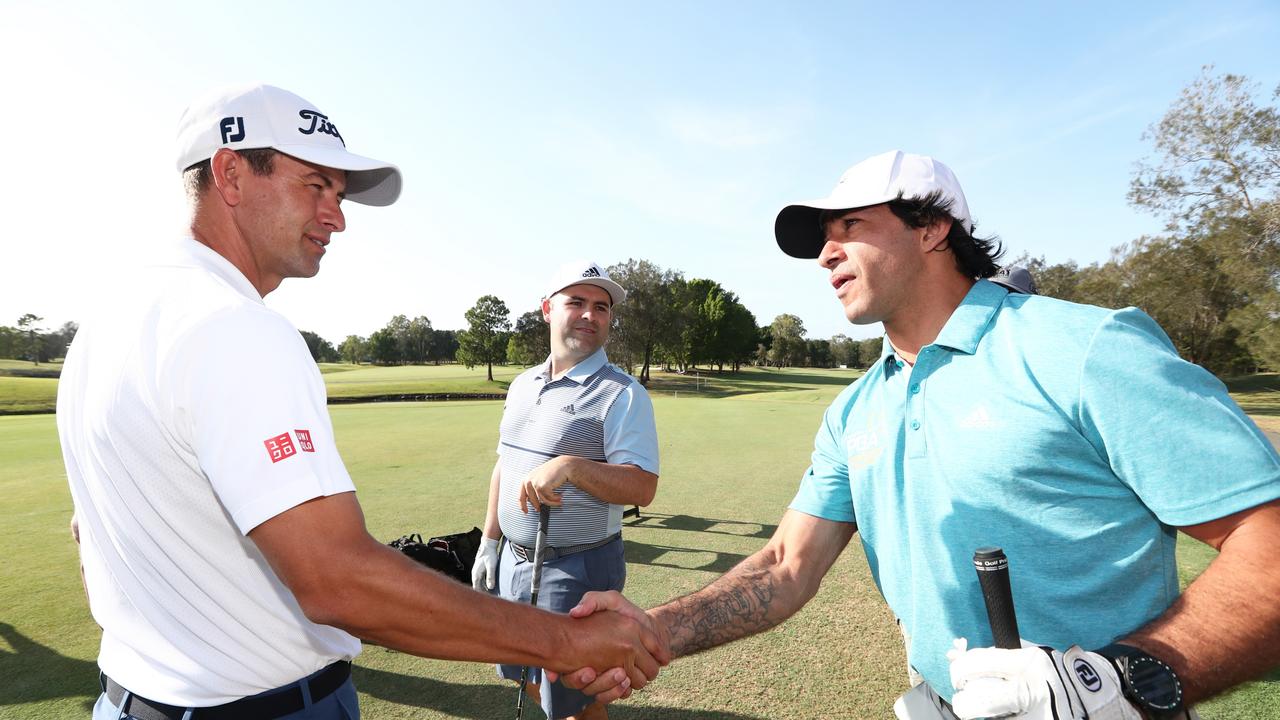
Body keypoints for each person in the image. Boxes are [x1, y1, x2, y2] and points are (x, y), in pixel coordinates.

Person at [565, 150, 1280, 719]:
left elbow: (1268, 539)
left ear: (932, 228)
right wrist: (649, 629)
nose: (825, 254)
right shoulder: (855, 410)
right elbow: (785, 568)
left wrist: (1117, 683)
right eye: (823, 238)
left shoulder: (1084, 349)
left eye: (849, 227)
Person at [58, 83, 662, 720]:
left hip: (133, 700)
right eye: (314, 186)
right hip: (263, 707)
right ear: (230, 173)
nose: (336, 217)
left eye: (339, 196)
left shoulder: (109, 320)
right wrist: (567, 640)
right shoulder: (233, 328)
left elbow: (87, 527)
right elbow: (336, 580)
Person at [471, 260, 660, 720]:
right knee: (523, 674)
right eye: (576, 302)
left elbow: (643, 485)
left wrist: (572, 467)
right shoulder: (521, 385)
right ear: (547, 310)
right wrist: (489, 542)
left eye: (601, 307)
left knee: (576, 699)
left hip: (578, 569)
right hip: (514, 561)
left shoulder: (623, 393)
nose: (589, 315)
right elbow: (505, 465)